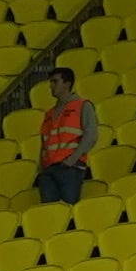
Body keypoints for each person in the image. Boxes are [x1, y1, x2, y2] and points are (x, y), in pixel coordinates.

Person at [37, 67, 98, 206]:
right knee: (50, 214)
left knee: (67, 210)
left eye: (55, 81)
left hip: (70, 168)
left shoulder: (82, 105)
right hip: (49, 170)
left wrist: (72, 160)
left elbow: (91, 135)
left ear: (67, 83)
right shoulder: (49, 114)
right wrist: (41, 169)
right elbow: (44, 144)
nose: (51, 85)